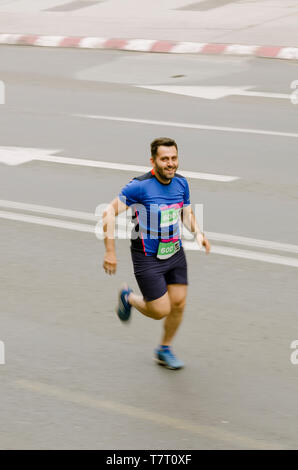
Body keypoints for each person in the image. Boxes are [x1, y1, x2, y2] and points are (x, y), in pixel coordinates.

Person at [102, 137, 210, 370]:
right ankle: (128, 298)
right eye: (165, 159)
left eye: (174, 158)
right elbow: (108, 213)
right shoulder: (139, 186)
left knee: (179, 303)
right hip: (147, 255)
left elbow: (186, 212)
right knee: (161, 310)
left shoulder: (181, 183)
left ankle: (164, 349)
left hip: (174, 251)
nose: (170, 164)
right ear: (153, 161)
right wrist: (110, 252)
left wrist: (198, 234)